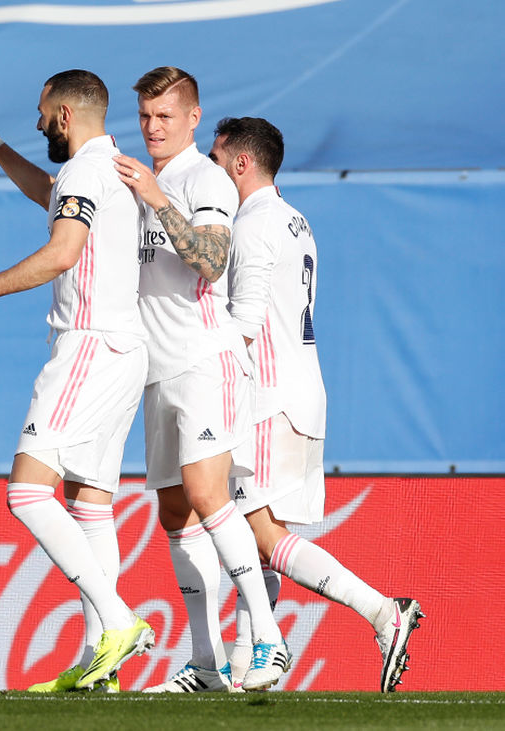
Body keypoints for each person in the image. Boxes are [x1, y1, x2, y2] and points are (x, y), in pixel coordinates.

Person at [0, 69, 154, 693]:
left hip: (89, 345)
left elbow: (63, 251)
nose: (38, 125)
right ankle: (102, 664)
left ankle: (115, 622)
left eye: (39, 114)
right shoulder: (105, 165)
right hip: (123, 348)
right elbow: (47, 189)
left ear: (63, 115)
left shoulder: (87, 170)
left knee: (28, 493)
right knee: (90, 503)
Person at [210, 116, 424, 692]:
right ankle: (241, 666)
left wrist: (197, 361)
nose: (210, 167)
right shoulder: (296, 221)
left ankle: (382, 611)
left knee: (256, 531)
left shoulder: (252, 225)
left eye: (215, 156)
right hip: (303, 393)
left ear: (240, 163)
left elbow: (247, 321)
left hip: (268, 397)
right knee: (260, 534)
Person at [111, 66, 288, 693]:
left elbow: (212, 262)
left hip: (202, 361)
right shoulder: (138, 181)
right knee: (174, 513)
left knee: (210, 495)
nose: (153, 128)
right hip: (155, 369)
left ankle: (267, 637)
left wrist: (158, 200)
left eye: (165, 116)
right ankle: (205, 664)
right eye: (144, 117)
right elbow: (55, 196)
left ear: (192, 117)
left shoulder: (203, 177)